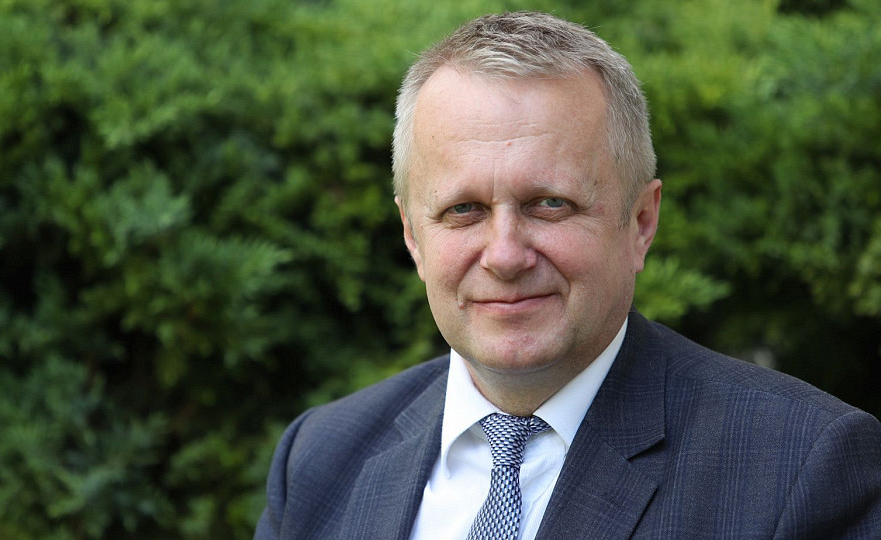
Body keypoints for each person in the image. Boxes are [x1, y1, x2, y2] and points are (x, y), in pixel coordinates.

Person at [255, 11, 881, 539]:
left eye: (549, 204)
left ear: (640, 222)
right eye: (463, 210)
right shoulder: (318, 460)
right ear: (413, 235)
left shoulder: (802, 467)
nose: (505, 255)